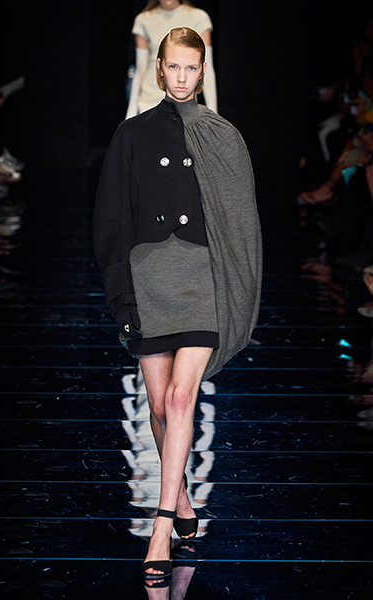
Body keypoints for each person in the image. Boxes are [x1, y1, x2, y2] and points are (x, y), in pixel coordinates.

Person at [93, 27, 262, 583]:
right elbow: (111, 218)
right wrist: (120, 292)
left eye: (193, 67)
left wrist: (238, 290)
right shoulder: (132, 135)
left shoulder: (222, 136)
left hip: (202, 279)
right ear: (159, 69)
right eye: (175, 66)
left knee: (182, 396)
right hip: (149, 279)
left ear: (202, 71)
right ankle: (182, 498)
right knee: (160, 406)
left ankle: (161, 525)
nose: (183, 76)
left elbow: (242, 226)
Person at [126, 0, 218, 117]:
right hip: (148, 102)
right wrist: (130, 113)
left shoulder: (199, 18)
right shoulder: (143, 20)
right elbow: (140, 70)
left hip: (183, 102)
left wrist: (213, 114)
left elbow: (207, 69)